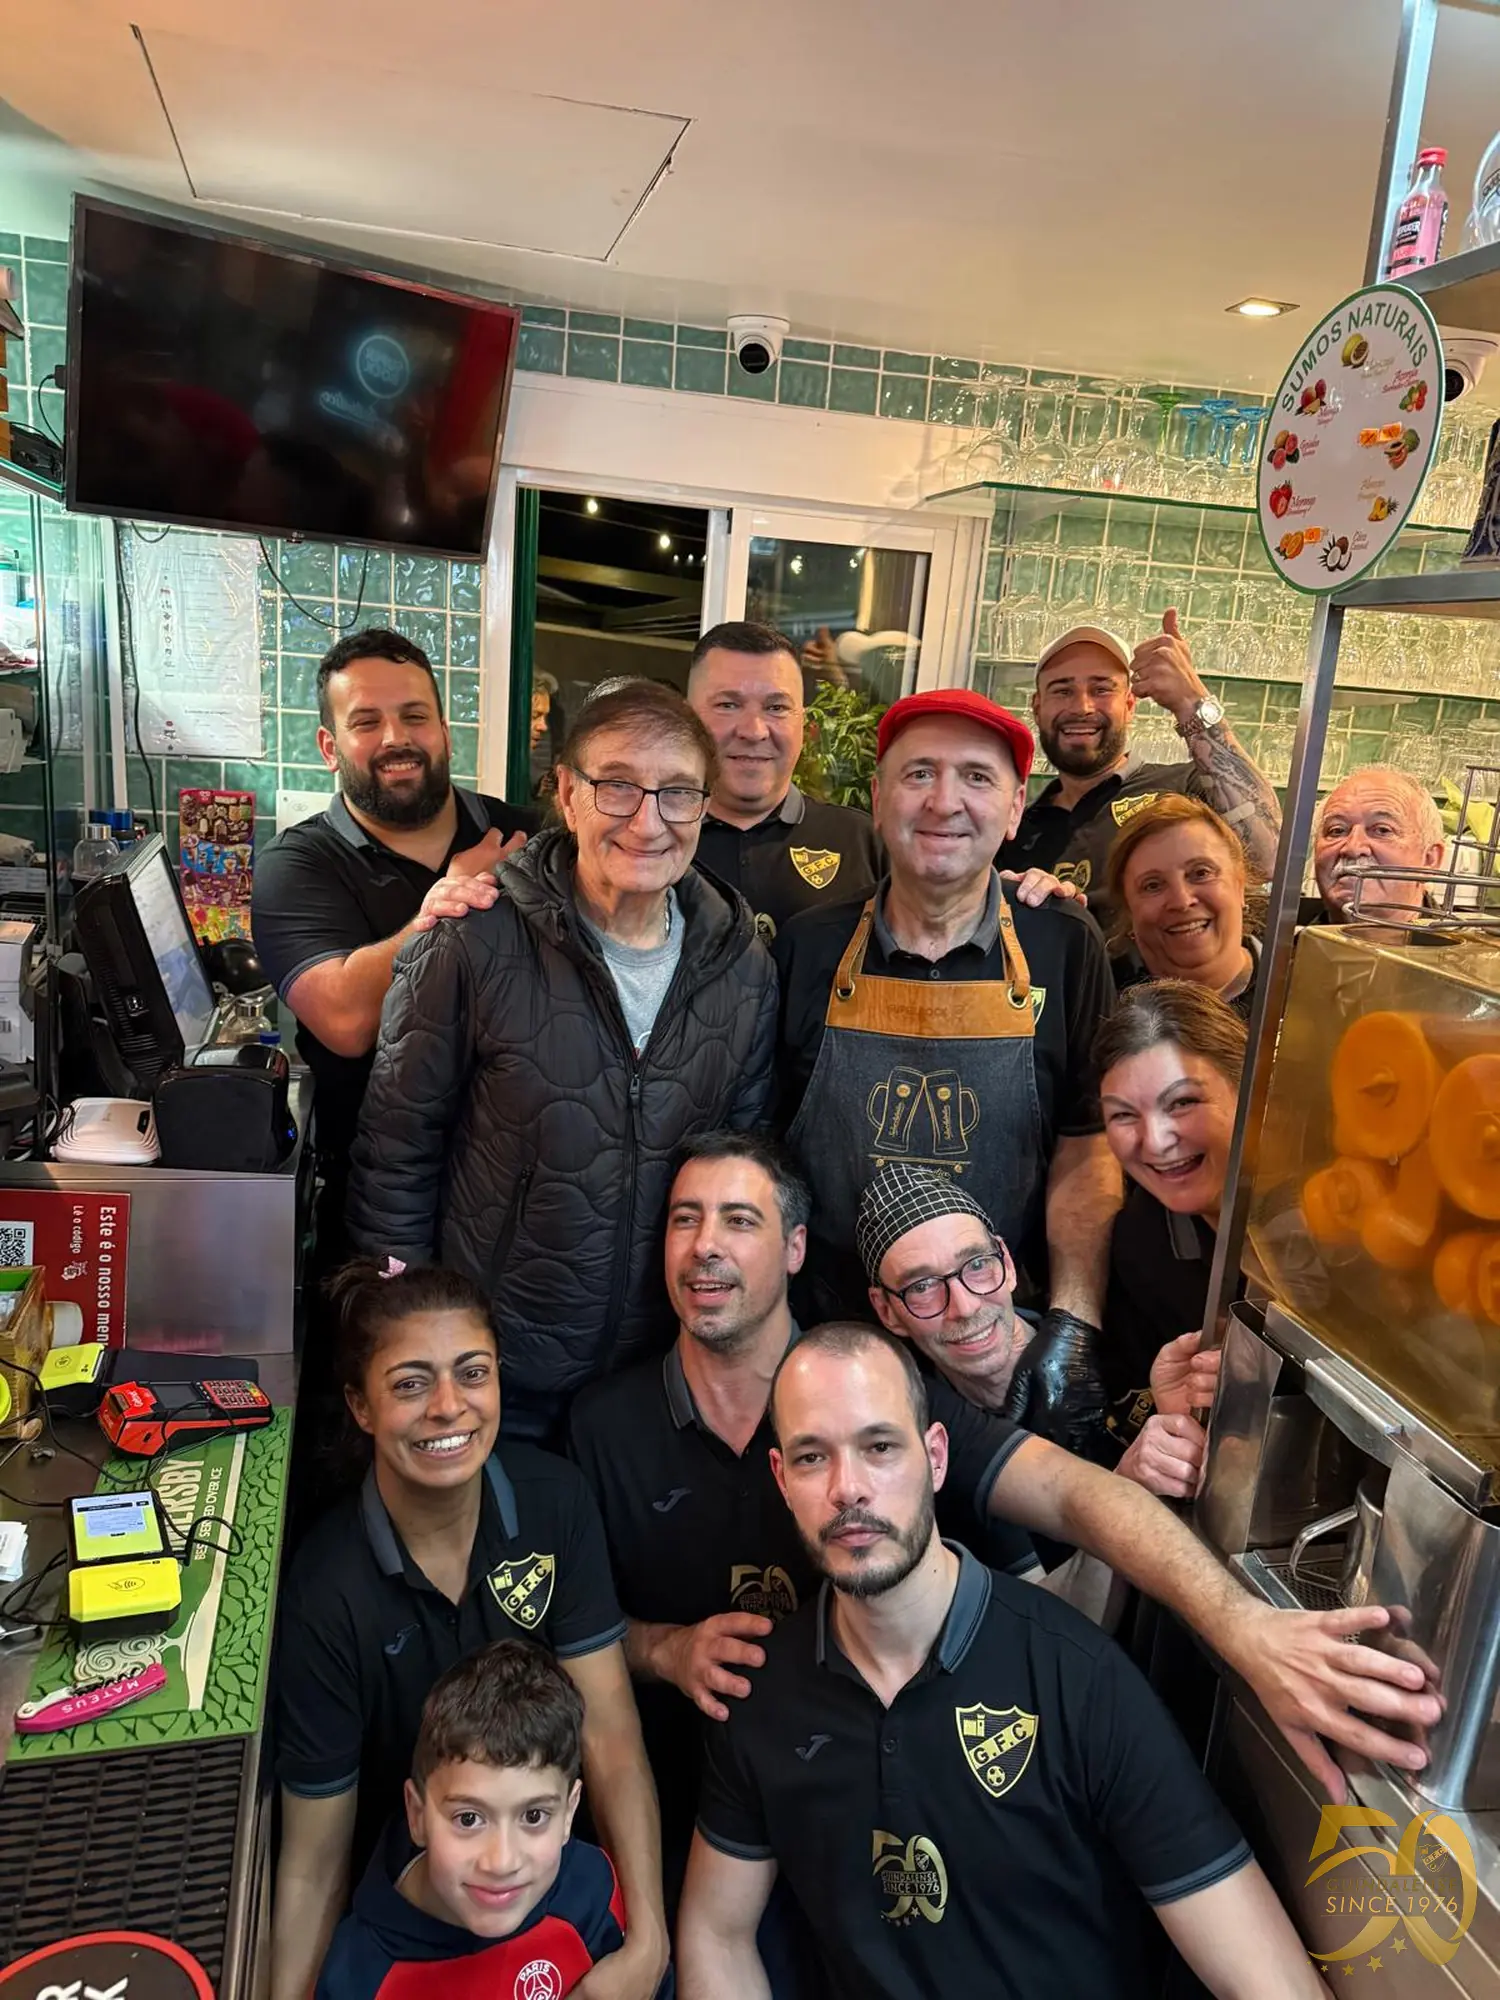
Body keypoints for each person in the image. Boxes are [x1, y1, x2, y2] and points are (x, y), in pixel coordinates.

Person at [570, 1146, 1444, 1826]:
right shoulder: (602, 1426)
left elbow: (1072, 1495)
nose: (708, 1246)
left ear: (795, 1247)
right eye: (685, 1220)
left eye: (739, 1220)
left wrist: (1249, 1630)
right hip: (696, 1783)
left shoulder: (889, 1392)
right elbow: (568, 1628)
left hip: (904, 1774)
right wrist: (665, 1650)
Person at [676, 1324, 1332, 2000]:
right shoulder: (760, 1699)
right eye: (813, 1457)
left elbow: (1274, 1985)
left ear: (936, 1457)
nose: (849, 1489)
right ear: (782, 1480)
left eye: (880, 1447)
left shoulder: (1078, 1679)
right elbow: (716, 1937)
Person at [347, 680, 778, 1444]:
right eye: (618, 787)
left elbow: (742, 1171)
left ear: (705, 808)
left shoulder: (741, 967)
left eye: (678, 793)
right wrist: (415, 1344)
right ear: (569, 795)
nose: (648, 821)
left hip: (659, 1374)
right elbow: (396, 1155)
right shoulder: (471, 940)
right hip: (495, 1373)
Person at [273, 1260, 667, 2000]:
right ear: (360, 1406)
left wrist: (648, 1942)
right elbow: (313, 1862)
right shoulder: (327, 1591)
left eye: (472, 1373)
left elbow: (611, 1740)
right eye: (410, 1384)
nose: (449, 1407)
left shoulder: (556, 1502)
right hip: (417, 1902)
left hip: (543, 1871)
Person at [772, 684, 1119, 1448]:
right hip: (834, 1345)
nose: (944, 801)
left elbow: (1087, 1147)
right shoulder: (808, 947)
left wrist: (1073, 1321)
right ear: (878, 798)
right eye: (919, 773)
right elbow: (767, 1154)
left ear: (1016, 808)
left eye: (976, 777)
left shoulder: (1064, 945)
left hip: (1001, 1345)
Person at [251, 627, 535, 1253]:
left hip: (525, 1214)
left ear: (445, 732)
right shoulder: (296, 866)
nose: (395, 739)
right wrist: (448, 901)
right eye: (366, 722)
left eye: (414, 716)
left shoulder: (527, 840)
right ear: (330, 747)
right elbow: (346, 1022)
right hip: (376, 1220)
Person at [858, 1160, 1219, 1503]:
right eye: (922, 1287)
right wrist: (1125, 1484)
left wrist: (1194, 1422)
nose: (965, 1307)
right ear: (886, 1311)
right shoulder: (933, 1447)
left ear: (1007, 1262)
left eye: (977, 1265)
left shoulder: (1129, 1326)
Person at [315, 1641, 627, 1999]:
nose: (502, 1862)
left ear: (569, 1813)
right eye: (468, 1819)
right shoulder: (358, 1978)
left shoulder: (592, 1895)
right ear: (417, 1815)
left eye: (534, 1816)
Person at [999, 612, 1281, 930]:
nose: (1082, 707)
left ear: (1130, 705)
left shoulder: (1184, 790)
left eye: (1101, 689)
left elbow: (1269, 858)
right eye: (1062, 691)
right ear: (1037, 708)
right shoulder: (1013, 830)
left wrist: (1191, 700)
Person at [1097, 982, 1248, 1489]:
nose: (1156, 1141)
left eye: (1182, 1102)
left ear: (1252, 1091)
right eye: (1123, 1115)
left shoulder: (1331, 1216)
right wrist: (1180, 1420)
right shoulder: (1143, 1244)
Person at [687, 621, 882, 938]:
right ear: (687, 718)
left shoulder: (864, 844)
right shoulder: (651, 841)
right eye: (728, 705)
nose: (753, 731)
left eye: (776, 707)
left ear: (802, 723)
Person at [1104, 794, 1261, 1021]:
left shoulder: (1301, 987)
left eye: (1201, 873)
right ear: (1129, 911)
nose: (1181, 901)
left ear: (1240, 884)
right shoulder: (1098, 1001)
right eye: (1153, 885)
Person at [1308, 763, 1446, 922]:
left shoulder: (1463, 938)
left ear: (1430, 860)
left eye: (1382, 830)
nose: (1353, 848)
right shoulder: (1288, 937)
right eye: (1337, 830)